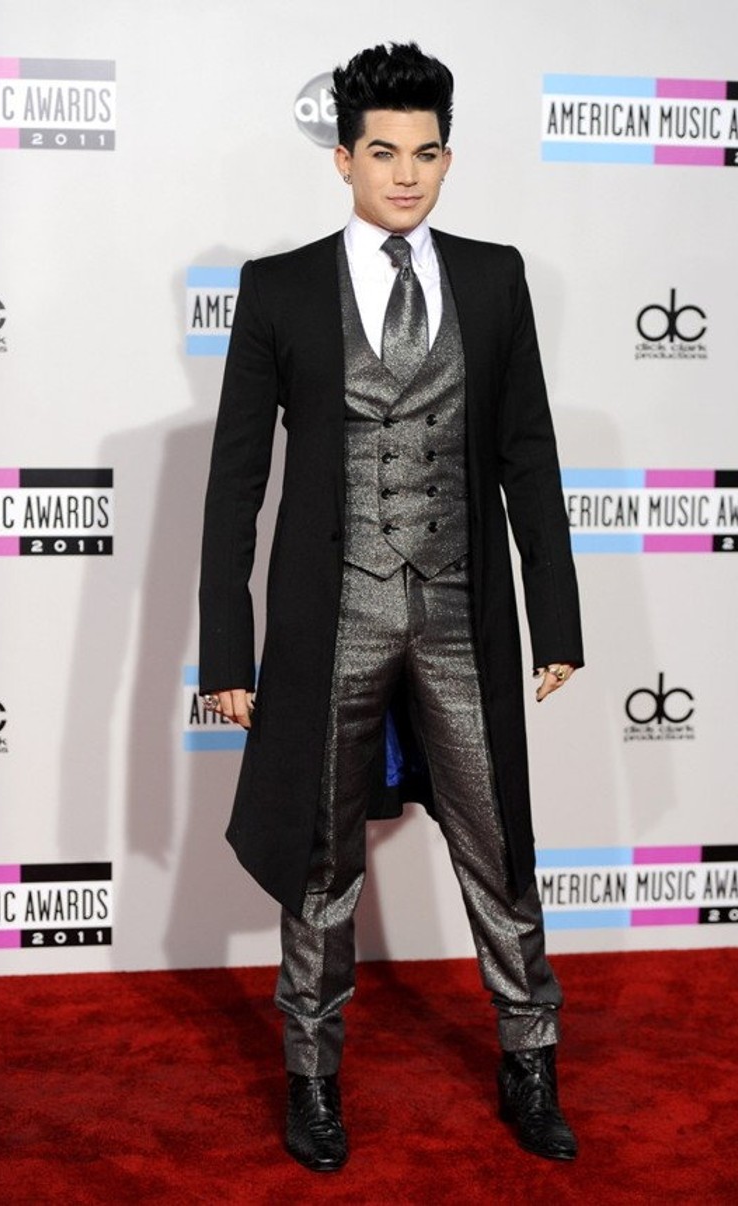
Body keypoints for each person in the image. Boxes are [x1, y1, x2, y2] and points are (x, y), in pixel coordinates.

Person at [198, 41, 584, 1173]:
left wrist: (556, 620)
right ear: (343, 159)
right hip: (334, 619)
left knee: (498, 844)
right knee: (324, 859)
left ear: (447, 157)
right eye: (382, 153)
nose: (405, 174)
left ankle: (530, 1061)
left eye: (425, 153)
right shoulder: (278, 289)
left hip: (461, 612)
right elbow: (234, 483)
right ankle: (312, 1077)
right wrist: (227, 650)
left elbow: (528, 454)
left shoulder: (495, 278)